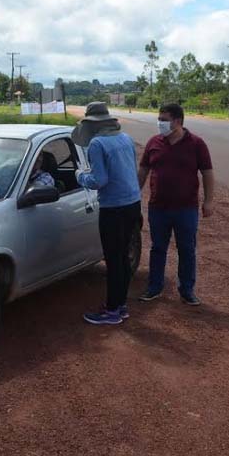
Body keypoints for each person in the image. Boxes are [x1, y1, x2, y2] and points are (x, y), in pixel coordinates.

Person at [73, 102, 142, 325]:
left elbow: (99, 180)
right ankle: (120, 306)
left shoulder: (97, 143)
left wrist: (80, 175)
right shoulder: (126, 139)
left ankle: (112, 311)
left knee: (113, 260)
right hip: (133, 203)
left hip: (113, 208)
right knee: (122, 257)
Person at [138, 103, 214, 306]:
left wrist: (208, 201)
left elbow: (207, 173)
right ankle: (154, 287)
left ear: (177, 121)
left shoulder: (196, 144)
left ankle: (187, 290)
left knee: (187, 249)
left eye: (164, 120)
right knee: (157, 248)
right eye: (159, 119)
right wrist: (135, 194)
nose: (160, 123)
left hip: (186, 209)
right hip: (158, 207)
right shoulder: (154, 142)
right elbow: (143, 170)